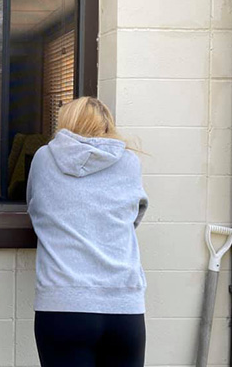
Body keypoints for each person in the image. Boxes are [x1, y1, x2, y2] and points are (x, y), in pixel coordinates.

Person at [26, 97, 148, 367]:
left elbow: (35, 208)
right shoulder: (129, 162)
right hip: (124, 305)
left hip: (62, 306)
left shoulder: (45, 158)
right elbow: (134, 216)